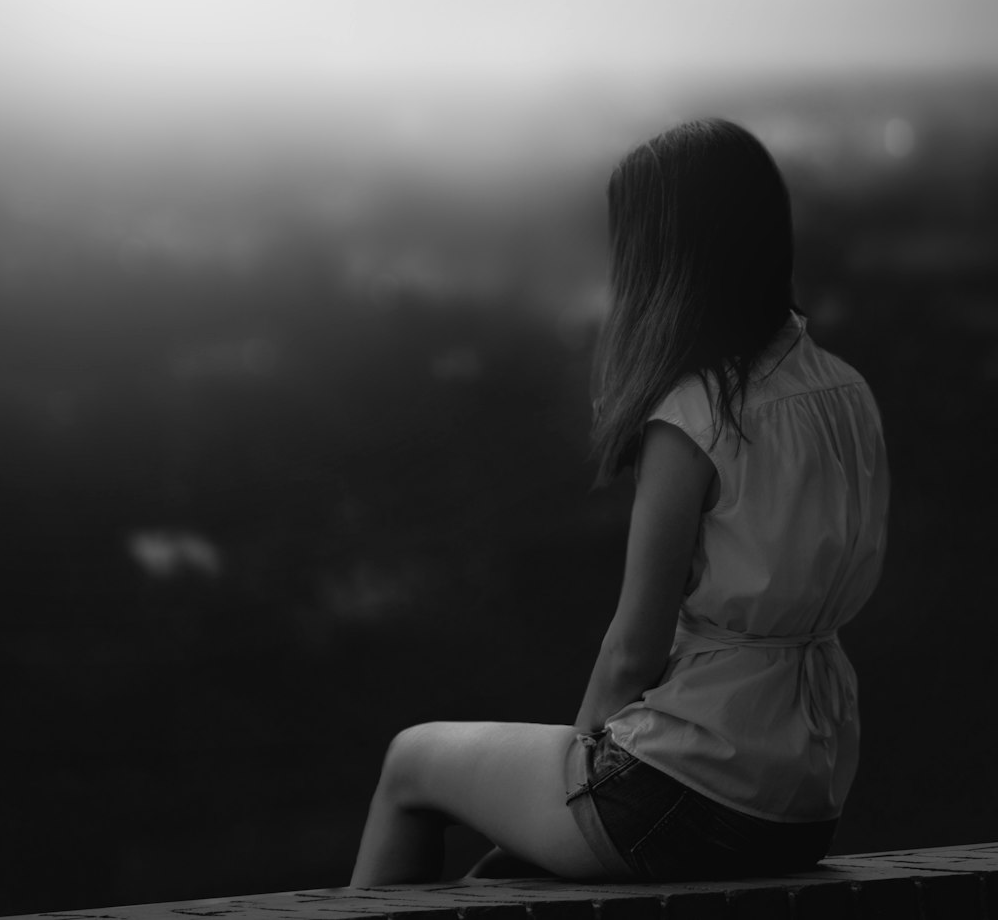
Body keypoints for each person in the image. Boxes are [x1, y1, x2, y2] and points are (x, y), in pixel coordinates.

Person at [347, 118, 890, 886]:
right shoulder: (845, 392)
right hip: (803, 797)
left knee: (411, 761)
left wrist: (581, 766)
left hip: (689, 785)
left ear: (665, 255)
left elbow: (633, 649)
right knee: (495, 884)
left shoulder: (701, 411)